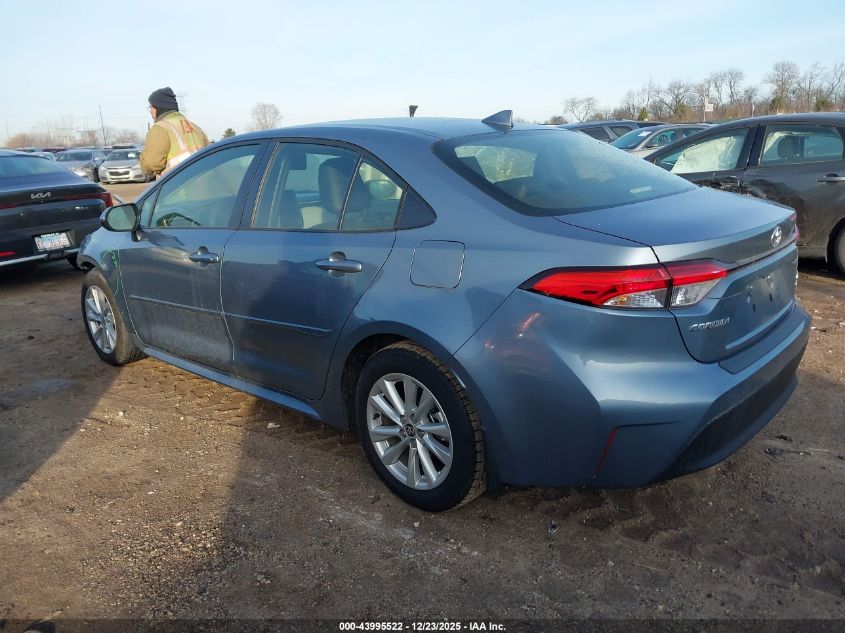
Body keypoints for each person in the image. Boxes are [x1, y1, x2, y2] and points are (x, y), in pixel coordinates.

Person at [140, 87, 209, 176]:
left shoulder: (160, 128)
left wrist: (144, 165)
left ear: (158, 107)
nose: (150, 111)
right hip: (203, 180)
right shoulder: (194, 127)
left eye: (151, 107)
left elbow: (151, 163)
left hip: (179, 185)